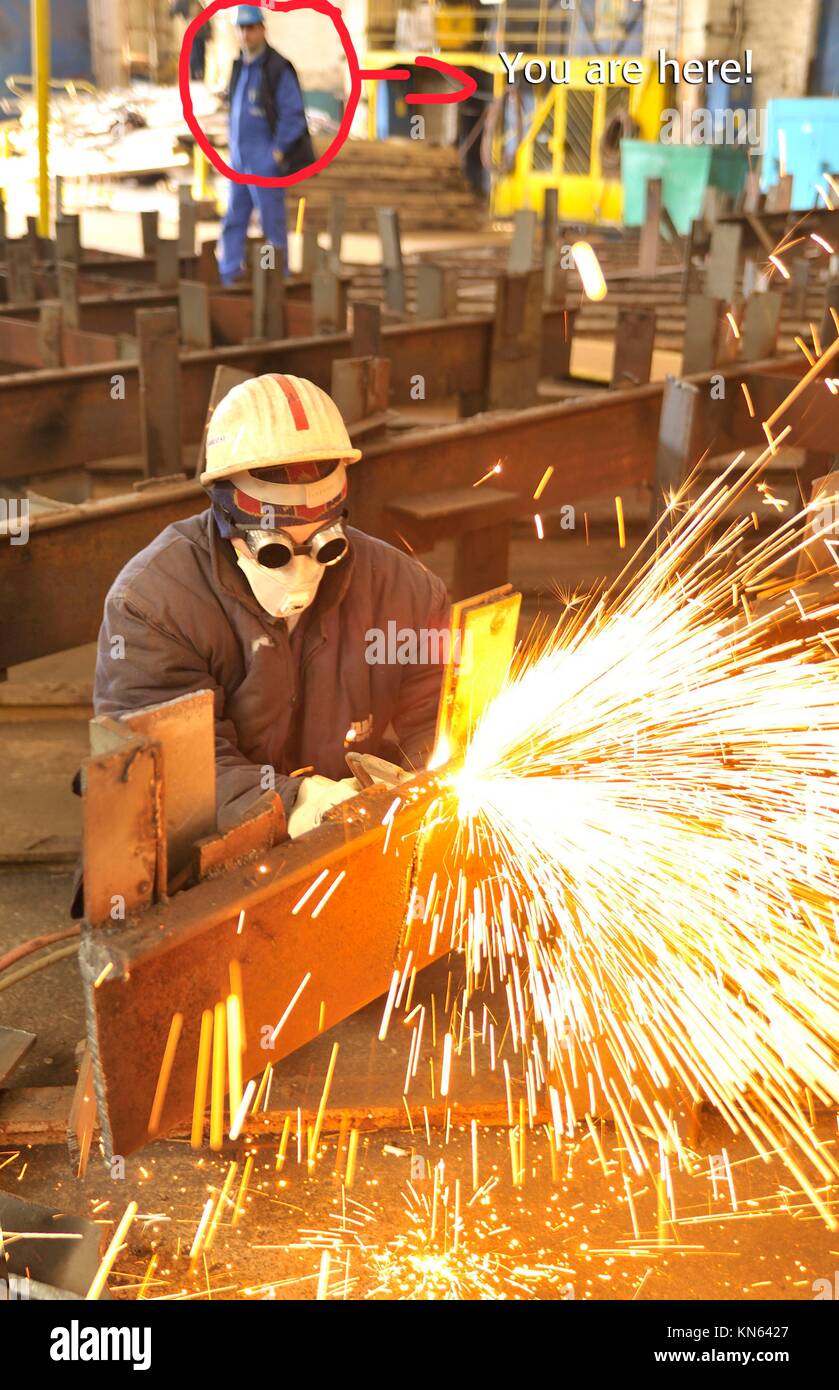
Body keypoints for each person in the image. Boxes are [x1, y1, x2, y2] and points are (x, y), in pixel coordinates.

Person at [93, 374, 450, 841]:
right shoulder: (153, 603)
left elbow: (439, 721)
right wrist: (297, 802)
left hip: (347, 837)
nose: (300, 568)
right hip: (199, 848)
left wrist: (428, 787)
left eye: (324, 545)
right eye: (274, 550)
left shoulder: (406, 590)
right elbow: (167, 768)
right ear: (225, 513)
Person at [218, 5, 312, 284]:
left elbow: (293, 115)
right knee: (234, 220)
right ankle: (229, 274)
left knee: (271, 224)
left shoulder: (276, 68)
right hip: (238, 159)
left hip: (264, 160)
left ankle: (275, 282)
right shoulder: (239, 67)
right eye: (241, 28)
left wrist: (276, 152)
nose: (246, 34)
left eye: (251, 28)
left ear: (262, 29)